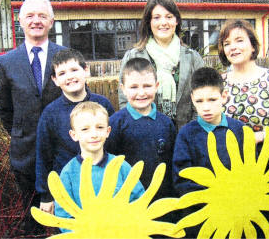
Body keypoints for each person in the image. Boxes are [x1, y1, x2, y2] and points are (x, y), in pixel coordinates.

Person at [218, 19, 269, 238]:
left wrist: (258, 137)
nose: (233, 47)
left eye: (239, 40)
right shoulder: (219, 82)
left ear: (253, 45)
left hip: (266, 166)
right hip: (228, 166)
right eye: (227, 43)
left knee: (266, 226)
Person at [0, 0, 66, 234]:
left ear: (52, 21)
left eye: (42, 16)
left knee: (65, 219)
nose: (36, 20)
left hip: (62, 152)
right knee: (32, 220)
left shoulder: (65, 57)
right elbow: (3, 107)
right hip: (25, 154)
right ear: (20, 21)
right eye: (30, 16)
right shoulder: (6, 62)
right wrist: (20, 131)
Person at [35, 48, 115, 215]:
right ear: (55, 80)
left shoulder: (103, 105)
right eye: (62, 73)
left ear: (86, 71)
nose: (69, 76)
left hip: (103, 182)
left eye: (74, 70)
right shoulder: (50, 113)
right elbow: (43, 155)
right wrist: (46, 195)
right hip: (68, 187)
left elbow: (114, 144)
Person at [172, 67, 245, 238]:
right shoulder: (186, 134)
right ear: (192, 99)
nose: (206, 107)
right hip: (200, 216)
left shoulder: (239, 130)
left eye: (212, 99)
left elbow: (249, 169)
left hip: (235, 212)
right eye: (200, 101)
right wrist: (211, 197)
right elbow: (181, 177)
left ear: (224, 97)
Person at [55, 101, 144, 233]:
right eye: (85, 129)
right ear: (74, 135)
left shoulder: (121, 166)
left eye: (100, 127)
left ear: (108, 131)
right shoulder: (68, 173)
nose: (94, 134)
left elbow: (138, 200)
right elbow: (64, 215)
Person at [118, 0, 204, 130]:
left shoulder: (193, 58)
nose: (163, 22)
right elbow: (124, 101)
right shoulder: (132, 57)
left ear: (176, 21)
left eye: (169, 17)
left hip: (186, 136)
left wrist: (189, 133)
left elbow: (202, 100)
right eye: (157, 17)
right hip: (145, 136)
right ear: (149, 22)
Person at [105, 58, 176, 202]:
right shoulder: (115, 123)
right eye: (134, 87)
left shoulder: (166, 123)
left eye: (147, 86)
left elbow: (172, 164)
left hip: (162, 198)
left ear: (156, 86)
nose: (141, 93)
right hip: (128, 201)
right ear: (123, 88)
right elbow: (109, 164)